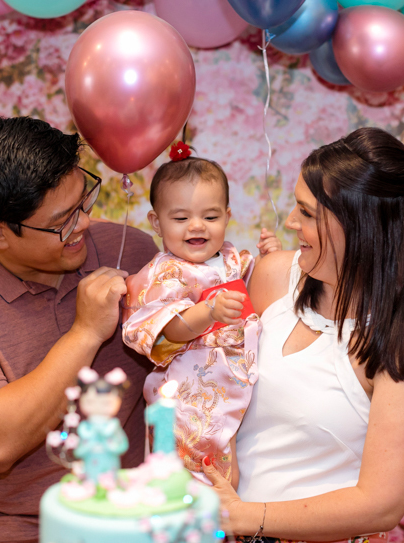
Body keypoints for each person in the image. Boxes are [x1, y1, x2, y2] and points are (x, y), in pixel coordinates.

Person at [0, 116, 158, 543]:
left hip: (120, 521)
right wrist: (85, 333)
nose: (84, 225)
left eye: (84, 200)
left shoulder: (133, 251)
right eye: (61, 221)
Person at [201, 127, 404, 542]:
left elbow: (381, 504)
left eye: (308, 212)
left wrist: (247, 517)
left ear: (360, 227)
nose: (291, 223)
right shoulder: (274, 276)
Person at [121, 147, 282, 486]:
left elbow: (260, 289)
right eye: (180, 219)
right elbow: (167, 332)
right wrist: (208, 311)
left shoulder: (231, 259)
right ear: (156, 221)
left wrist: (271, 259)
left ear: (226, 216)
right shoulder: (163, 274)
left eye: (210, 217)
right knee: (196, 474)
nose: (197, 226)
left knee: (241, 474)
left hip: (242, 382)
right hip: (192, 395)